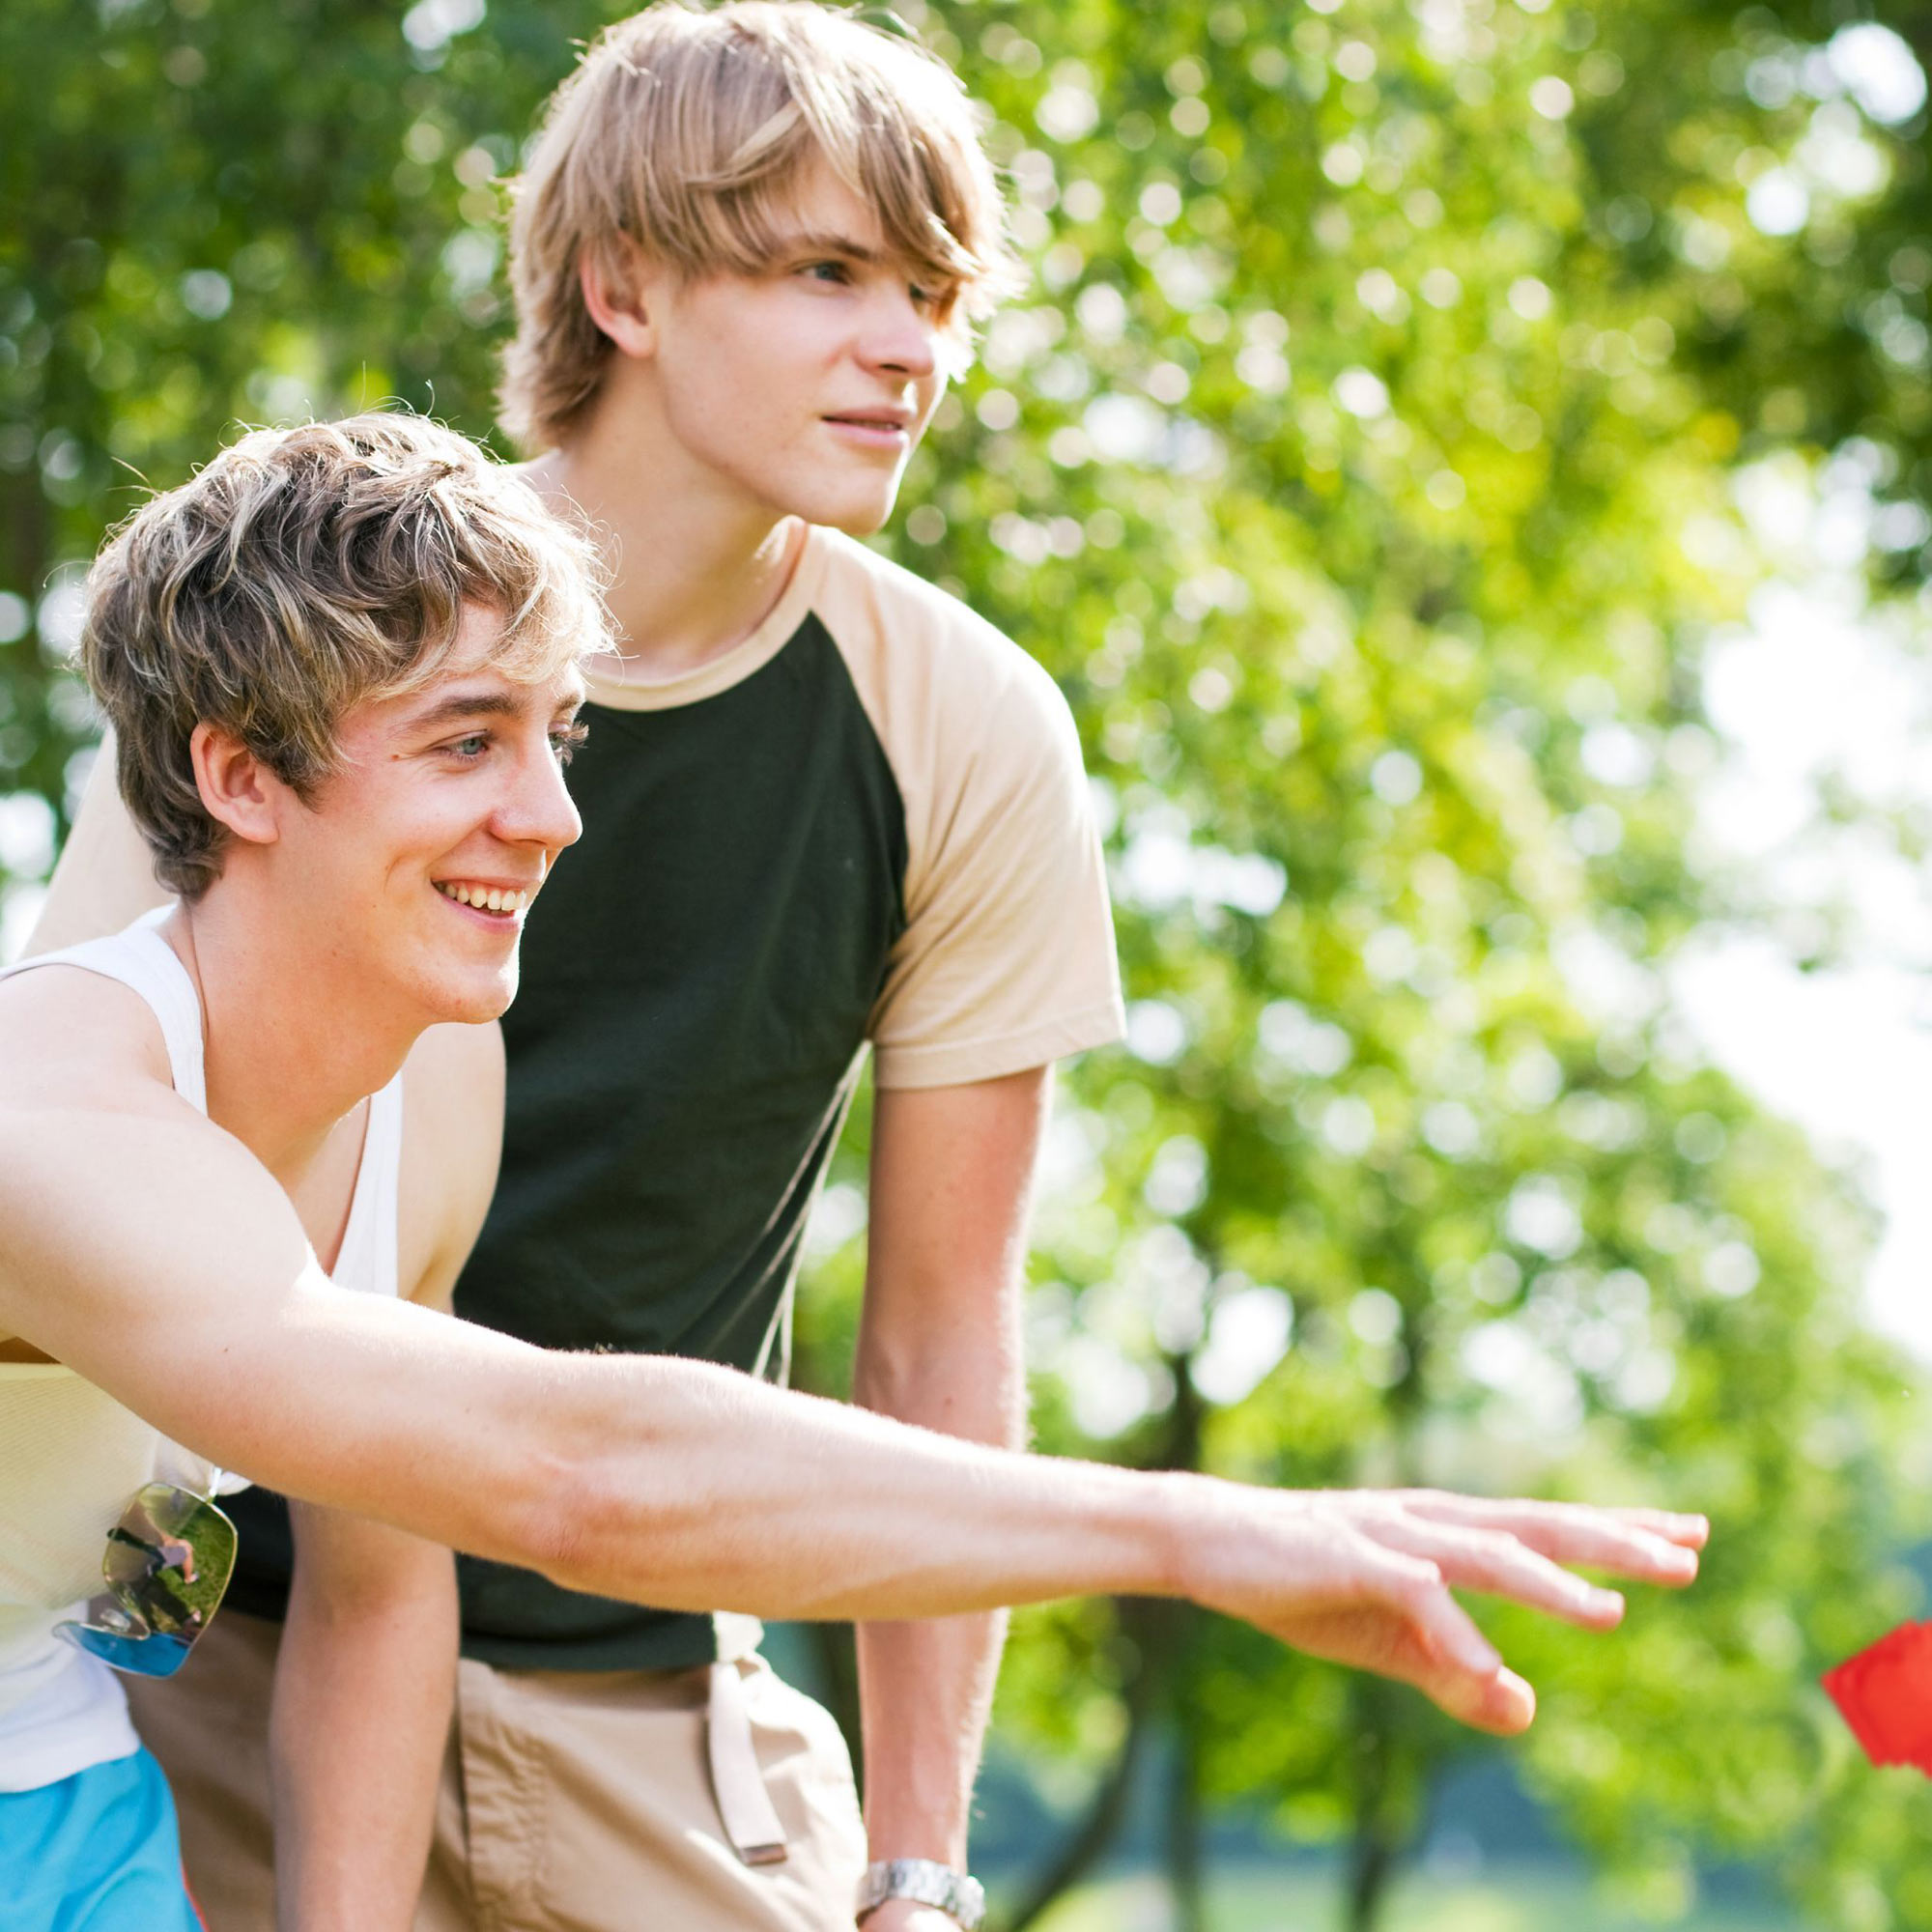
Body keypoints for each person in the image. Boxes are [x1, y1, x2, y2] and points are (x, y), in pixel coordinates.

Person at [21, 17, 1707, 1932]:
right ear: (621, 283)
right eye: (829, 271)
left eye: (932, 291)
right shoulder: (280, 673)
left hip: (642, 1670)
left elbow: (912, 1349)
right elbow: (163, 1284)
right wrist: (1187, 1532)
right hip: (208, 1669)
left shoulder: (956, 732)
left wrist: (919, 1863)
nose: (908, 347)